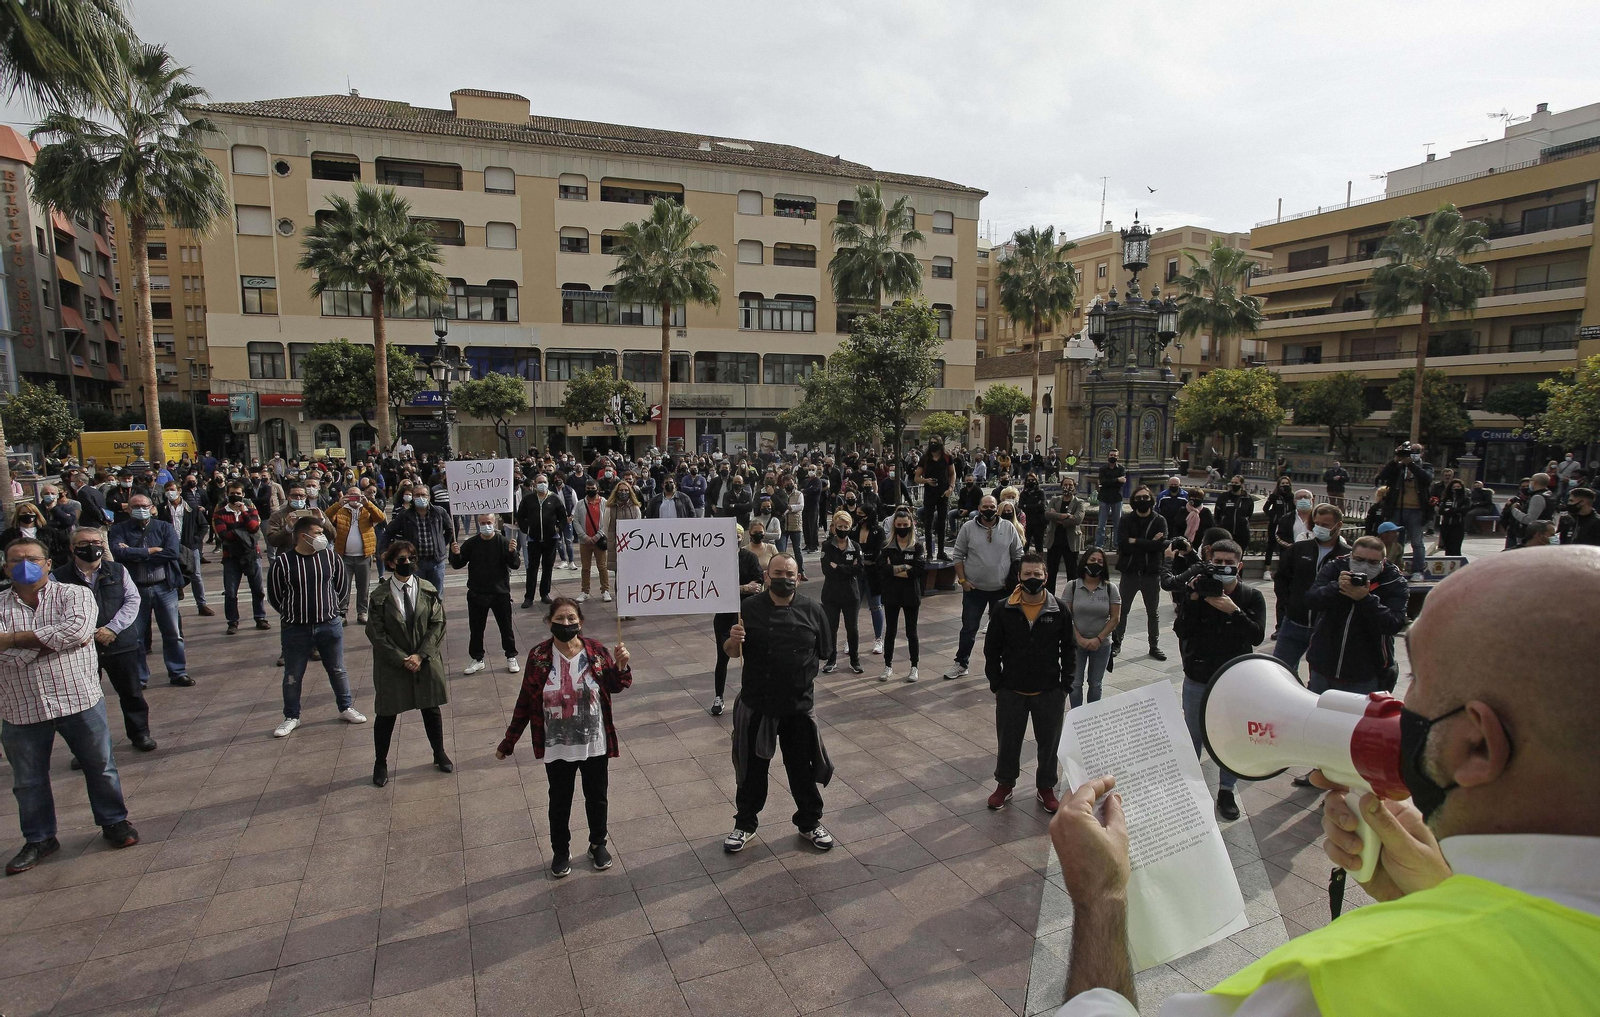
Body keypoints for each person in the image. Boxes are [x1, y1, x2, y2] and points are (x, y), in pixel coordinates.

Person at [1050, 545, 1600, 1017]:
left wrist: (1102, 896)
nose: (1396, 702)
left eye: (1420, 681)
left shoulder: (1348, 983)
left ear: (1476, 744)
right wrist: (1440, 894)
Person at [0, 536, 140, 874]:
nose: (24, 564)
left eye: (32, 558)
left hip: (77, 698)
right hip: (21, 706)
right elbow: (61, 639)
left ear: (48, 563)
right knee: (28, 780)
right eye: (16, 559)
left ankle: (113, 822)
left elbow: (77, 633)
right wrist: (50, 640)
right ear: (5, 567)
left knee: (100, 766)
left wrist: (14, 640)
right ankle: (40, 838)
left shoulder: (74, 594)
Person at [496, 597, 632, 877]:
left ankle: (597, 844)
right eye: (560, 619)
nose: (566, 624)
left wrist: (621, 666)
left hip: (594, 743)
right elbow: (525, 701)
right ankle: (561, 850)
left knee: (597, 797)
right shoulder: (538, 656)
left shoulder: (596, 651)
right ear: (549, 623)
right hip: (556, 746)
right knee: (559, 800)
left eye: (571, 619)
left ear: (580, 622)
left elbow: (616, 686)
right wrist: (508, 742)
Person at [721, 553, 836, 853]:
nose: (783, 578)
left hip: (798, 706)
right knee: (752, 769)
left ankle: (810, 822)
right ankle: (744, 823)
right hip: (758, 703)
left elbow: (824, 651)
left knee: (801, 767)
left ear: (798, 578)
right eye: (777, 572)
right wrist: (733, 640)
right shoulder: (749, 608)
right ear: (766, 576)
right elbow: (732, 652)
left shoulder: (813, 610)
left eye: (789, 573)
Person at [1168, 538, 1265, 821]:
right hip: (1198, 676)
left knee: (1230, 736)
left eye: (1228, 564)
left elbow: (1257, 635)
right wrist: (1194, 600)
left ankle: (1226, 790)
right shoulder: (1197, 590)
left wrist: (1232, 611)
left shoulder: (1250, 596)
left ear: (1239, 566)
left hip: (1234, 679)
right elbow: (1181, 629)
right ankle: (1188, 788)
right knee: (1193, 736)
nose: (1223, 568)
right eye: (1217, 563)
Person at [983, 551, 1073, 814]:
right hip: (1011, 689)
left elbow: (1069, 649)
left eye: (1037, 574)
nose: (1032, 578)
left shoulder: (1059, 609)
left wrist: (1065, 686)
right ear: (1019, 577)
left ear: (1045, 577)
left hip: (1049, 691)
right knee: (1008, 741)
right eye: (1027, 574)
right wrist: (997, 684)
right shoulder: (1003, 608)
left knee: (1049, 744)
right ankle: (1005, 784)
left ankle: (1046, 787)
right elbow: (992, 650)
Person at [52, 526, 154, 752]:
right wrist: (86, 633)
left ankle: (140, 734)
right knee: (82, 701)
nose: (91, 547)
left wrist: (112, 628)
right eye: (84, 543)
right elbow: (54, 611)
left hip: (119, 642)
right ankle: (87, 749)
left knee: (131, 693)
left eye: (97, 542)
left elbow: (132, 601)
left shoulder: (118, 570)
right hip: (80, 647)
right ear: (72, 548)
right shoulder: (58, 578)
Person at [266, 516, 367, 737]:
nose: (322, 537)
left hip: (328, 625)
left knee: (338, 669)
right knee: (293, 674)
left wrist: (334, 612)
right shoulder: (282, 562)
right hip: (296, 628)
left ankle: (345, 707)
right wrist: (292, 614)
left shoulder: (330, 558)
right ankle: (291, 716)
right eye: (317, 532)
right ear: (303, 536)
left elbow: (341, 588)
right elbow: (275, 596)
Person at [365, 540, 451, 787]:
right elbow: (376, 633)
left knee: (431, 707)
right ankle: (380, 762)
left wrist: (421, 655)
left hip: (425, 660)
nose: (408, 563)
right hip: (393, 664)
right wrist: (401, 658)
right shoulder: (380, 596)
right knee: (386, 713)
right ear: (391, 563)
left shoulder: (427, 589)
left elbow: (438, 624)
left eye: (411, 558)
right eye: (402, 559)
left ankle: (439, 752)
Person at [1305, 533, 1409, 694]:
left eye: (1373, 562)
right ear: (1351, 556)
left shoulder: (1394, 582)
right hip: (1323, 666)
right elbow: (1311, 600)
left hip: (1364, 674)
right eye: (1359, 560)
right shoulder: (1334, 568)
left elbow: (1394, 623)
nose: (1365, 566)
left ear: (1383, 562)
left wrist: (1365, 599)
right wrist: (1337, 588)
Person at [108, 494, 193, 689]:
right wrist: (150, 551)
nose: (140, 509)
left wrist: (134, 554)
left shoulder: (164, 527)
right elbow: (118, 553)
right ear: (128, 509)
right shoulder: (119, 529)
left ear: (152, 507)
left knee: (173, 633)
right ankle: (139, 677)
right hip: (134, 590)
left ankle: (178, 672)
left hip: (164, 587)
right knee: (136, 636)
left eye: (144, 505)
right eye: (135, 506)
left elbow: (172, 552)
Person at [944, 494, 1023, 680]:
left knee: (1003, 630)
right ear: (979, 509)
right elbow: (958, 556)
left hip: (1001, 590)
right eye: (985, 506)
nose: (989, 510)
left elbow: (1017, 555)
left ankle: (1006, 665)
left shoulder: (1008, 527)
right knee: (969, 629)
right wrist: (963, 581)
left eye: (992, 507)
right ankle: (961, 663)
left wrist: (1011, 581)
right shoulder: (968, 528)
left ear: (998, 508)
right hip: (974, 590)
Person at [1270, 503, 1348, 676]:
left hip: (1326, 629)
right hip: (1294, 623)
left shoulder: (1346, 556)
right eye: (1317, 523)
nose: (1319, 528)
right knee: (1279, 671)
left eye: (1325, 525)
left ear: (1338, 525)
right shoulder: (1299, 549)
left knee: (1321, 677)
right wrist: (1288, 604)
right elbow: (1282, 578)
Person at [450, 513, 521, 675]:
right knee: (476, 629)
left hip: (500, 593)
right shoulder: (471, 543)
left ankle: (511, 656)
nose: (486, 525)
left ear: (494, 522)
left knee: (506, 628)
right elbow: (458, 564)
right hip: (477, 593)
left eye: (489, 522)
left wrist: (512, 552)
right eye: (482, 522)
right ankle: (477, 658)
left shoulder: (503, 542)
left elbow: (515, 565)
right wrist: (454, 554)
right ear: (478, 523)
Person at [1112, 486, 1168, 661]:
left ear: (1151, 499)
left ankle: (1154, 645)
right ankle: (1117, 643)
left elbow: (1161, 545)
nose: (1142, 501)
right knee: (1123, 611)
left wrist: (1135, 540)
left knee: (1153, 612)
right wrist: (1149, 542)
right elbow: (1122, 544)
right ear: (1133, 500)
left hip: (1151, 573)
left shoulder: (1160, 520)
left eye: (1145, 497)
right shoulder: (1126, 519)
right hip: (1129, 573)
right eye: (1138, 498)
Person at [711, 535, 764, 716]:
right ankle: (719, 696)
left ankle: (750, 695)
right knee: (722, 657)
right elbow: (718, 585)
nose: (736, 539)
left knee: (750, 656)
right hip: (724, 615)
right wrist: (743, 588)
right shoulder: (718, 558)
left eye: (738, 536)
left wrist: (745, 588)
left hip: (746, 614)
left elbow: (758, 582)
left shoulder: (749, 557)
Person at [211, 481, 271, 636]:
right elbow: (224, 535)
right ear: (227, 494)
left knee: (257, 589)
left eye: (238, 493)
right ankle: (232, 622)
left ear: (243, 495)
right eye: (232, 493)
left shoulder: (250, 510)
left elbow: (254, 529)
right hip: (231, 556)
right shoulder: (220, 513)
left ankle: (260, 617)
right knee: (231, 592)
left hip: (252, 555)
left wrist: (244, 513)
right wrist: (245, 535)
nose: (235, 496)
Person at [1063, 546, 1119, 709]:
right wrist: (1078, 638)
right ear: (1085, 562)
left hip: (1101, 644)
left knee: (1095, 683)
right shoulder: (1072, 586)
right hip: (1076, 643)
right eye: (1092, 560)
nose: (1096, 564)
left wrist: (1099, 638)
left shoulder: (1110, 588)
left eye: (1100, 561)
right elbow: (1066, 616)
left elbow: (1115, 617)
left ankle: (1092, 717)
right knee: (1075, 683)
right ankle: (1077, 715)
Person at [877, 509, 925, 683]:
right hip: (891, 595)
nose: (902, 528)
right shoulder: (886, 546)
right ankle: (887, 666)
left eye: (905, 525)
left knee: (912, 632)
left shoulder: (917, 546)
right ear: (894, 526)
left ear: (911, 524)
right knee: (890, 631)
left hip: (911, 594)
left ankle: (914, 667)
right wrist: (906, 567)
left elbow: (919, 571)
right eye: (899, 525)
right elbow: (883, 569)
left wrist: (895, 568)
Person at [1375, 440, 1434, 576]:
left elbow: (1426, 479)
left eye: (1416, 452)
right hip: (1396, 509)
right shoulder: (1398, 467)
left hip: (1416, 510)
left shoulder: (1426, 466)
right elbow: (1383, 476)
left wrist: (1411, 465)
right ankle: (1390, 567)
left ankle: (1418, 570)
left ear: (1422, 453)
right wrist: (1396, 459)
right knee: (1391, 539)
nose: (1412, 454)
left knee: (1417, 542)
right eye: (1410, 452)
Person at [329, 485, 386, 625]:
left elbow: (381, 517)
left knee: (363, 586)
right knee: (343, 586)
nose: (354, 498)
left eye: (356, 495)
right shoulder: (341, 510)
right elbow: (326, 518)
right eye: (350, 495)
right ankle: (342, 612)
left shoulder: (366, 509)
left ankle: (362, 612)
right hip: (344, 556)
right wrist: (338, 504)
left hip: (364, 555)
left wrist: (367, 503)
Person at [384, 483, 454, 595]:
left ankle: (435, 613)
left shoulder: (439, 512)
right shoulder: (405, 515)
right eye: (417, 495)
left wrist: (441, 544)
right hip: (415, 562)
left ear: (429, 497)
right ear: (412, 497)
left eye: (423, 495)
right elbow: (388, 532)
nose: (420, 498)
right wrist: (384, 551)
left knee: (436, 594)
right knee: (416, 594)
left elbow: (450, 529)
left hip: (436, 562)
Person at [818, 510, 864, 675]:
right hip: (831, 594)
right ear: (834, 527)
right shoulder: (827, 546)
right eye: (839, 526)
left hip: (851, 594)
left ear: (850, 527)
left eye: (845, 526)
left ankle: (855, 660)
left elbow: (859, 569)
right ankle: (831, 660)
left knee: (852, 628)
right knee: (831, 628)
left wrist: (839, 567)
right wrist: (848, 568)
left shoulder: (855, 547)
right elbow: (826, 570)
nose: (842, 529)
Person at [156, 481, 212, 617]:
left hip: (190, 546)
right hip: (170, 547)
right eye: (167, 490)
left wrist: (196, 539)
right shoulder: (161, 509)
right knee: (172, 575)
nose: (170, 492)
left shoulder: (191, 507)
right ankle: (173, 606)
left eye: (172, 489)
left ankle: (202, 604)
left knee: (196, 575)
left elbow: (203, 525)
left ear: (179, 490)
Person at [515, 473, 567, 607]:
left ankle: (545, 593)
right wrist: (527, 530)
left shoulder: (554, 499)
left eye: (544, 481)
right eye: (539, 482)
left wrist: (558, 528)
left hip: (551, 539)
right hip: (533, 539)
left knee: (547, 567)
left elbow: (563, 516)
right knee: (532, 568)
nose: (542, 484)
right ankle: (529, 597)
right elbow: (520, 516)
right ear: (534, 484)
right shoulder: (528, 499)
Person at [1045, 475, 1086, 593]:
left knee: (1072, 573)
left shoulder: (1079, 502)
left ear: (1074, 487)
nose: (1067, 487)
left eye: (1070, 485)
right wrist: (1065, 516)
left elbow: (1077, 519)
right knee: (1051, 572)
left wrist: (1057, 517)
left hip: (1070, 542)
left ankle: (1072, 597)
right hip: (1054, 541)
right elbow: (1047, 514)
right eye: (1065, 485)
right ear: (1061, 486)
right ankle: (1049, 597)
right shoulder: (1054, 500)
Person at [915, 439, 956, 560]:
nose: (933, 444)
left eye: (935, 442)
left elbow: (952, 473)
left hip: (943, 494)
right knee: (928, 523)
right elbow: (917, 477)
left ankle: (941, 552)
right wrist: (926, 481)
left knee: (942, 523)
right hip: (929, 494)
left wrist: (951, 488)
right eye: (931, 442)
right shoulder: (925, 459)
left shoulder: (947, 457)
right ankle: (929, 553)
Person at [573, 478, 611, 604]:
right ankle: (585, 591)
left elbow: (607, 520)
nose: (590, 490)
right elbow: (576, 520)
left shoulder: (604, 503)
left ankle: (605, 590)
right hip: (585, 541)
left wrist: (598, 535)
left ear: (598, 489)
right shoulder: (579, 504)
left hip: (599, 540)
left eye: (593, 488)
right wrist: (584, 536)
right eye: (588, 489)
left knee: (602, 566)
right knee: (585, 568)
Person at [1261, 476, 1296, 571]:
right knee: (1271, 546)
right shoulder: (1274, 496)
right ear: (1279, 485)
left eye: (1287, 483)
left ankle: (1283, 569)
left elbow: (1295, 510)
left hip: (1287, 526)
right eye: (1283, 483)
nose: (1285, 485)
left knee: (1285, 548)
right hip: (1274, 524)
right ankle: (1267, 569)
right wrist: (1273, 516)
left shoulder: (1292, 497)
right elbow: (1265, 508)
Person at [1212, 476, 1254, 554]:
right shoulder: (1224, 497)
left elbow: (1249, 514)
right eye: (1232, 482)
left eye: (1236, 483)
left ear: (1241, 484)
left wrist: (1244, 522)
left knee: (1239, 555)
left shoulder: (1248, 499)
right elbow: (1217, 513)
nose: (1233, 484)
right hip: (1226, 532)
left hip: (1242, 533)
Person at [1093, 450, 1126, 549]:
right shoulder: (1102, 468)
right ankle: (1099, 545)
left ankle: (1117, 545)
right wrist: (1116, 480)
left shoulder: (1121, 469)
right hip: (1104, 498)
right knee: (1101, 525)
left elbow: (1122, 482)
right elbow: (1102, 481)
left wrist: (1109, 482)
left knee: (1117, 524)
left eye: (1115, 455)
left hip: (1117, 498)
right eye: (1111, 455)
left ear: (1118, 457)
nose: (1113, 457)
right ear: (1108, 456)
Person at [1435, 477, 1471, 556]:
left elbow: (1464, 510)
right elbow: (1441, 511)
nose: (1456, 489)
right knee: (1447, 547)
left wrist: (1452, 511)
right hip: (1446, 525)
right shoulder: (1446, 499)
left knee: (1456, 547)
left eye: (1458, 487)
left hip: (1458, 525)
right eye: (1454, 487)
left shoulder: (1465, 499)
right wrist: (1451, 511)